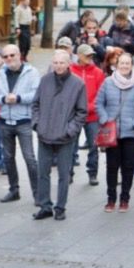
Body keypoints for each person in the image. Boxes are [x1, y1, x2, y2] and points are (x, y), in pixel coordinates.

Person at [31, 50, 87, 221]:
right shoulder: (45, 80)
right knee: (42, 172)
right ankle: (45, 206)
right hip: (45, 134)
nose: (58, 66)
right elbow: (35, 104)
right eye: (55, 62)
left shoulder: (78, 84)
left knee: (64, 174)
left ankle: (60, 207)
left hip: (65, 137)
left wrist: (70, 130)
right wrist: (37, 124)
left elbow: (81, 112)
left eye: (62, 62)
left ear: (69, 63)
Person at [95, 52, 134, 212]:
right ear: (116, 65)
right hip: (111, 133)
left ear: (131, 65)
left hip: (132, 133)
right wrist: (105, 119)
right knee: (112, 167)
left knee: (128, 167)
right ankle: (111, 199)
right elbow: (99, 103)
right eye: (122, 63)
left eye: (127, 63)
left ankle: (125, 199)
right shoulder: (108, 82)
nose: (124, 66)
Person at [0, 44, 40, 203]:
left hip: (23, 121)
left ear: (19, 55)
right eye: (6, 56)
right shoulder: (0, 73)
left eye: (12, 55)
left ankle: (38, 194)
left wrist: (18, 98)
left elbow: (36, 94)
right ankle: (14, 190)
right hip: (5, 121)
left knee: (30, 158)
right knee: (8, 158)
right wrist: (3, 99)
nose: (9, 59)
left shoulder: (32, 72)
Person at [71, 44, 106, 185]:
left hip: (92, 116)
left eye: (91, 55)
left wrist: (88, 107)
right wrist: (77, 108)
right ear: (79, 56)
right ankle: (68, 173)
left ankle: (92, 173)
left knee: (93, 146)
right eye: (87, 55)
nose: (90, 57)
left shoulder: (98, 72)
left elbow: (101, 94)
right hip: (74, 116)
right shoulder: (70, 70)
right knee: (71, 146)